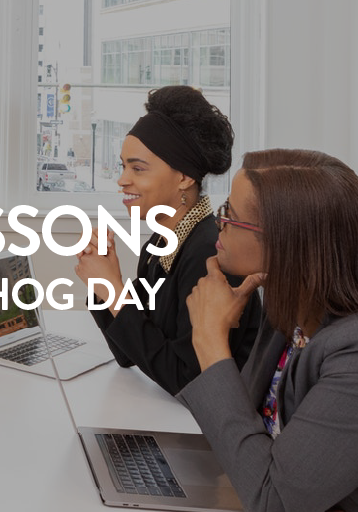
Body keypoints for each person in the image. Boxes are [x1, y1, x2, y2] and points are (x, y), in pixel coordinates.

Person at [181, 149, 358, 512]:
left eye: (232, 217)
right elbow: (249, 435)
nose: (217, 222)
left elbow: (270, 502)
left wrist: (210, 340)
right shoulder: (290, 306)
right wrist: (289, 487)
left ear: (289, 245)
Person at [75, 86, 260, 395]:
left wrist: (115, 291)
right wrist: (105, 287)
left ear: (184, 177)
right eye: (123, 166)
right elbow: (130, 354)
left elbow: (188, 381)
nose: (122, 179)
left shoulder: (210, 253)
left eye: (137, 168)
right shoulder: (158, 246)